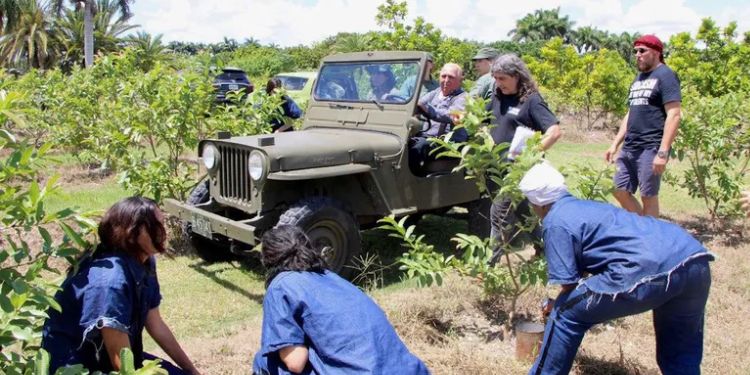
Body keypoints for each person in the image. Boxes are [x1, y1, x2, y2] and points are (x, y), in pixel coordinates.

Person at [519, 162, 713, 375]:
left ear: (537, 203)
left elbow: (568, 285)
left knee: (565, 312)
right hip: (693, 258)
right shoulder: (588, 207)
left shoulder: (555, 220)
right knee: (679, 350)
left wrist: (556, 303)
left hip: (646, 269)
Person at [41, 197, 200, 375]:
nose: (163, 232)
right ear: (130, 234)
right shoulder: (111, 281)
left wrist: (191, 370)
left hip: (109, 359)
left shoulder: (145, 261)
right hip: (79, 367)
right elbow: (120, 362)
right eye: (155, 226)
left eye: (162, 223)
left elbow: (155, 323)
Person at [252, 225, 430, 375]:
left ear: (268, 258)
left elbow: (295, 363)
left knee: (264, 361)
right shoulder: (331, 277)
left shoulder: (280, 285)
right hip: (408, 369)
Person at [485, 53, 561, 255]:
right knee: (525, 213)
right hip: (497, 169)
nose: (498, 83)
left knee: (498, 212)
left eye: (503, 78)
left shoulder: (531, 100)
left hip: (520, 170)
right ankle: (546, 250)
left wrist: (530, 153)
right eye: (496, 78)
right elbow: (482, 121)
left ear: (517, 76)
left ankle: (490, 266)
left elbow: (554, 132)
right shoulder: (496, 97)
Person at [604, 34, 682, 218]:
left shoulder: (666, 76)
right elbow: (631, 112)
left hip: (651, 146)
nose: (637, 54)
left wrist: (663, 152)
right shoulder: (638, 78)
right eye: (635, 51)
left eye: (642, 51)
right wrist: (615, 144)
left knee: (648, 196)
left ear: (656, 52)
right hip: (630, 146)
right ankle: (645, 227)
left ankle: (651, 238)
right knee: (617, 189)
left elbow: (674, 114)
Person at [408, 63, 468, 175]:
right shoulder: (435, 93)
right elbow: (419, 104)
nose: (446, 80)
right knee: (402, 145)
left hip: (447, 143)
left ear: (460, 80)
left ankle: (411, 184)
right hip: (427, 138)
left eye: (451, 77)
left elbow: (455, 117)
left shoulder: (463, 97)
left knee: (417, 148)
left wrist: (429, 110)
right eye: (443, 76)